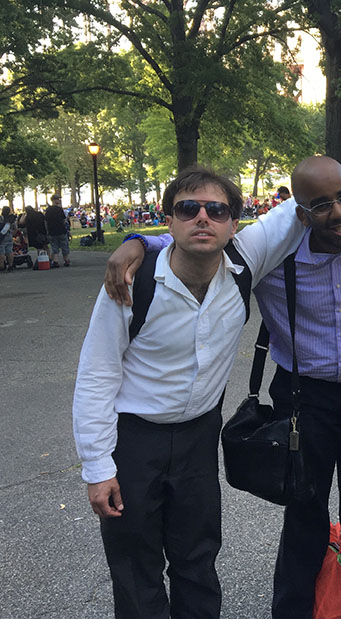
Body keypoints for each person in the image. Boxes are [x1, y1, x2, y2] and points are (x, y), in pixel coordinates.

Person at [103, 157, 341, 619]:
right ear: (299, 214)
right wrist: (139, 240)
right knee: (303, 515)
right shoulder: (271, 253)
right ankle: (295, 611)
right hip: (303, 398)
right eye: (320, 205)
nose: (338, 212)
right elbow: (205, 237)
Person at [73, 167, 252, 619]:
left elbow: (305, 202)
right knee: (135, 564)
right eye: (188, 209)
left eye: (217, 210)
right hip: (134, 439)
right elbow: (96, 375)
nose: (203, 219)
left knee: (198, 555)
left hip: (199, 436)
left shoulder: (243, 271)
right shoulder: (130, 283)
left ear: (234, 224)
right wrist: (97, 468)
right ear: (168, 221)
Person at [45, 194, 71, 267]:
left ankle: (55, 261)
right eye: (58, 199)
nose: (59, 200)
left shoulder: (48, 210)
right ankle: (66, 260)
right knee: (64, 245)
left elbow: (46, 221)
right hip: (61, 230)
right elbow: (64, 220)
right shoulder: (60, 209)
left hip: (51, 231)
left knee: (54, 246)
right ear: (54, 200)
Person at [0, 206, 17, 272]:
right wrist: (12, 234)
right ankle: (10, 265)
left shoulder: (1, 218)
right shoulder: (11, 219)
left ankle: (1, 266)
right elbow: (15, 228)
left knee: (1, 252)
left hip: (1, 237)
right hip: (9, 236)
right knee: (9, 251)